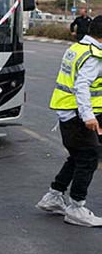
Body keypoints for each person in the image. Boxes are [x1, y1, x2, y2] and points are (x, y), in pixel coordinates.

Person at [38, 16, 102, 227]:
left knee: (77, 156)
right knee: (89, 157)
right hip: (77, 114)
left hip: (68, 111)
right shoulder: (94, 55)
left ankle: (54, 196)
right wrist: (88, 116)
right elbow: (82, 85)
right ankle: (76, 207)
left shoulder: (77, 48)